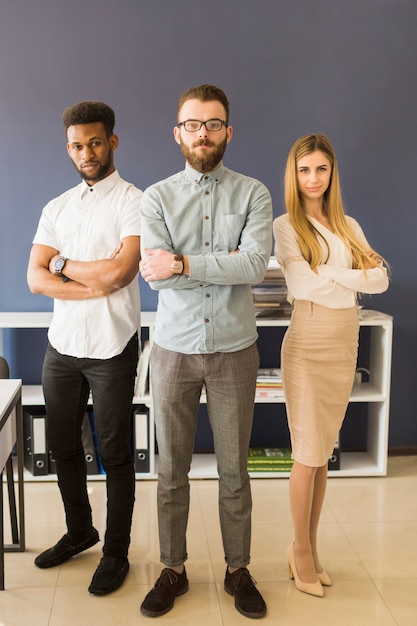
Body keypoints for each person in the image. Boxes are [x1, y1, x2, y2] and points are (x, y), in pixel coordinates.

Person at [139, 84, 272, 619]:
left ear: (227, 132)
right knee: (170, 469)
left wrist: (185, 263)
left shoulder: (254, 194)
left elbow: (255, 267)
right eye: (192, 124)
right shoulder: (156, 197)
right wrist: (213, 263)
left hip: (235, 351)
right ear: (178, 133)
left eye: (213, 124)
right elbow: (156, 276)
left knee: (234, 470)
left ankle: (238, 569)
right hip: (172, 352)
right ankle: (173, 568)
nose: (202, 133)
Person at [27, 101, 142, 595]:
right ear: (68, 148)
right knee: (63, 447)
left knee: (116, 454)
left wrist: (62, 265)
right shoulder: (56, 207)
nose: (86, 152)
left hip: (113, 344)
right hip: (63, 346)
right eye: (77, 145)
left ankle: (116, 551)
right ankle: (80, 532)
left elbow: (122, 273)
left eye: (95, 142)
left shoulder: (136, 202)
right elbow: (34, 279)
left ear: (112, 141)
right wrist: (86, 278)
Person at [273, 134, 389, 597]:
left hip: (345, 341)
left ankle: (309, 547)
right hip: (308, 342)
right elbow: (302, 285)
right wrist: (351, 278)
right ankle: (299, 551)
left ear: (332, 173)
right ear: (294, 175)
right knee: (307, 454)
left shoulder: (348, 224)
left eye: (321, 169)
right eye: (305, 170)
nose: (313, 178)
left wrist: (334, 275)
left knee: (322, 456)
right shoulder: (286, 226)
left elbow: (379, 280)